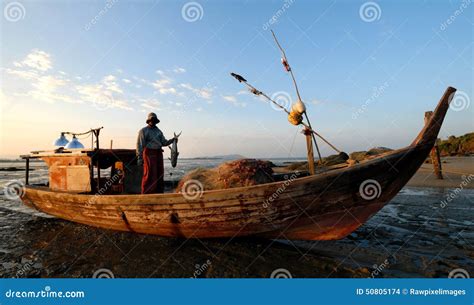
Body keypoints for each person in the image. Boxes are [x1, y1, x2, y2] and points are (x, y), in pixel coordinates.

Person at [136, 113, 176, 194]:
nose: (152, 121)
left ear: (156, 121)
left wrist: (173, 140)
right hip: (148, 154)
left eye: (154, 120)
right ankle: (146, 194)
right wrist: (139, 158)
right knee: (149, 174)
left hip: (158, 154)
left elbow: (164, 142)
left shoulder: (159, 131)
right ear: (148, 121)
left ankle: (158, 193)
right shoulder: (143, 131)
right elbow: (139, 145)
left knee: (159, 174)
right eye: (151, 119)